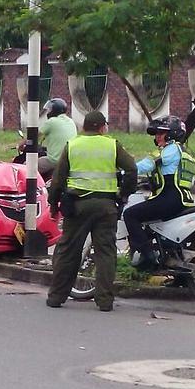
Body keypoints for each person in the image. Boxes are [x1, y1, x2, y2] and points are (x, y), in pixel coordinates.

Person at [46, 111, 137, 312]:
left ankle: (56, 297)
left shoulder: (73, 145)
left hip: (78, 206)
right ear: (102, 127)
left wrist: (53, 204)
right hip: (106, 206)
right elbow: (131, 169)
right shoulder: (112, 144)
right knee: (105, 253)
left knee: (68, 251)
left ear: (84, 126)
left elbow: (58, 179)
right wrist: (123, 194)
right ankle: (104, 301)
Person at [123, 115, 195, 268]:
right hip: (183, 199)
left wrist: (125, 172)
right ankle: (176, 272)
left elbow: (147, 164)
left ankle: (148, 255)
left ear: (172, 134)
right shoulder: (185, 153)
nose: (157, 136)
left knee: (130, 215)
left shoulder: (170, 150)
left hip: (169, 198)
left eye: (161, 133)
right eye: (156, 133)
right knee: (158, 230)